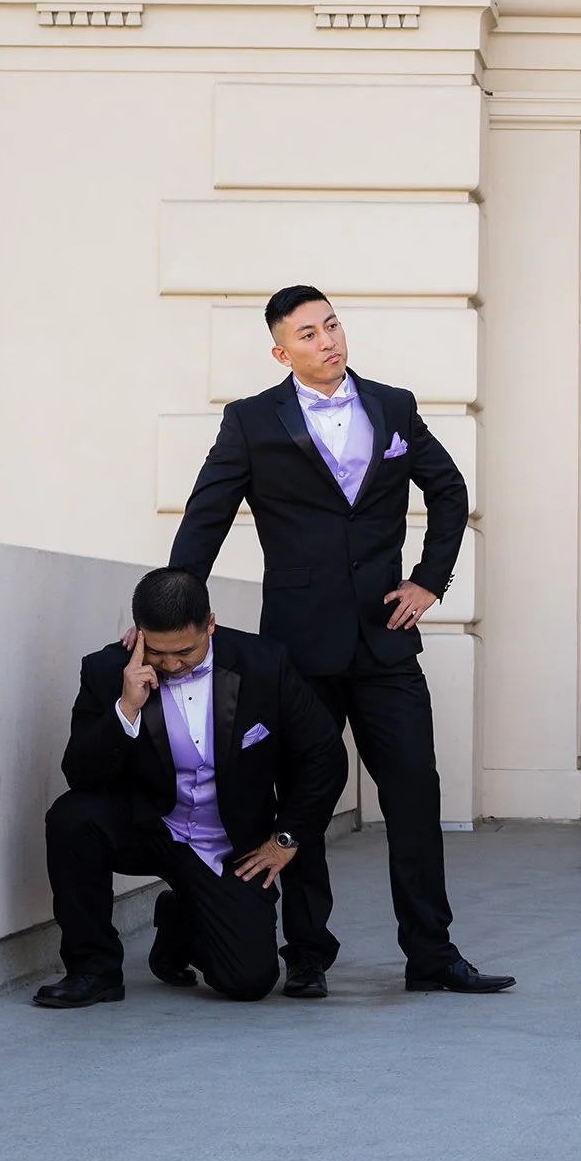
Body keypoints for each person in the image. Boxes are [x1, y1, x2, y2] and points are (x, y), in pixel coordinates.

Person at [168, 285, 512, 996]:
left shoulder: (393, 406)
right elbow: (203, 523)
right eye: (308, 333)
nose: (328, 340)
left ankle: (432, 953)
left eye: (332, 325)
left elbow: (449, 491)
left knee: (415, 793)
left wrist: (429, 581)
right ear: (281, 350)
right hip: (296, 650)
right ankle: (307, 956)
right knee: (302, 800)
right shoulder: (251, 422)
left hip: (385, 645)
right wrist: (168, 615)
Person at [35, 568, 347, 1008]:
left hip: (227, 845)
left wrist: (286, 838)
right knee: (72, 817)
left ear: (211, 624)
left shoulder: (264, 664)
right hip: (150, 827)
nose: (173, 665)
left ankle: (179, 926)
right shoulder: (108, 669)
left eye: (186, 651)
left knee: (248, 981)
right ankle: (93, 969)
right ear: (139, 635)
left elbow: (324, 755)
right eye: (159, 653)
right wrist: (126, 707)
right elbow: (81, 776)